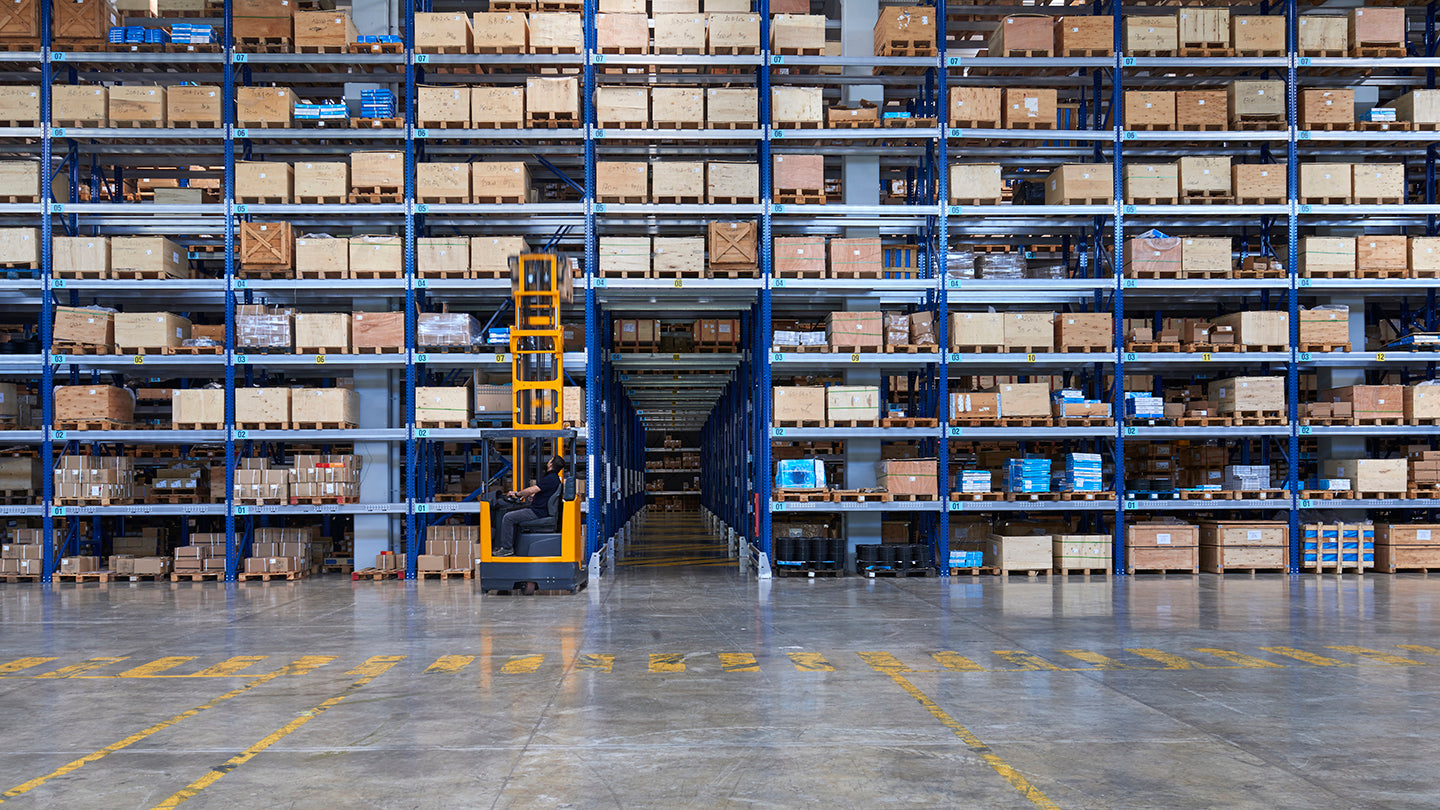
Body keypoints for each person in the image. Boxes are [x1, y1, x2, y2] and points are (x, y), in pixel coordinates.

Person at [491, 455, 564, 557]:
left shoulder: (550, 478)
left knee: (508, 517)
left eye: (550, 460)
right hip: (540, 508)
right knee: (513, 511)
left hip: (538, 511)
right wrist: (522, 494)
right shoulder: (554, 478)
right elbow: (540, 492)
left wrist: (517, 494)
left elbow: (532, 490)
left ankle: (507, 549)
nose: (548, 461)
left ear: (551, 464)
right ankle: (508, 545)